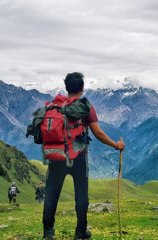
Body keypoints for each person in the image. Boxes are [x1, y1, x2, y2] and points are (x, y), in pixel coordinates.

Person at [42, 72, 125, 240]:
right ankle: (80, 233)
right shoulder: (85, 107)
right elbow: (99, 134)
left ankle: (48, 233)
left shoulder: (53, 106)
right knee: (81, 194)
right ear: (82, 88)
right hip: (78, 156)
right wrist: (116, 145)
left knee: (51, 194)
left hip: (56, 156)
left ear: (66, 87)